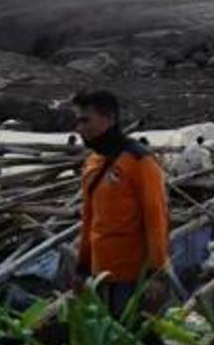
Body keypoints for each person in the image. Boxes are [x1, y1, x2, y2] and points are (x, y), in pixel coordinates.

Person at [72, 90, 170, 316]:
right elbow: (89, 218)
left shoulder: (139, 161)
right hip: (100, 273)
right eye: (77, 120)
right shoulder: (94, 162)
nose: (79, 128)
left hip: (132, 277)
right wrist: (82, 267)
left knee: (130, 338)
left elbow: (156, 219)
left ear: (109, 119)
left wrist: (156, 273)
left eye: (85, 120)